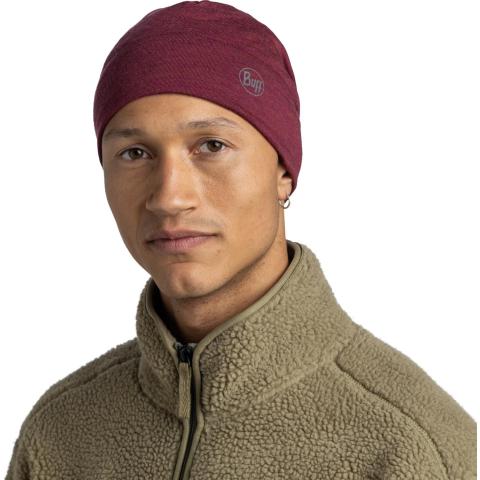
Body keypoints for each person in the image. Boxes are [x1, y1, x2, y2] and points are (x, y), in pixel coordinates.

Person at [5, 1, 476, 479]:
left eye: (211, 146)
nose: (169, 198)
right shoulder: (59, 436)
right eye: (135, 153)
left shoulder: (409, 446)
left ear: (284, 171)